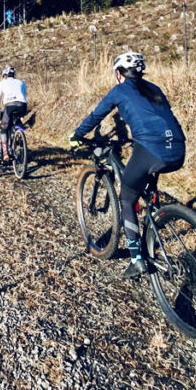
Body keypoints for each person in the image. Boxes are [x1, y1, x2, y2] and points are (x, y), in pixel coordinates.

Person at [69, 52, 186, 279]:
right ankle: (153, 215)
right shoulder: (154, 88)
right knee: (145, 178)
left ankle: (136, 260)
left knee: (126, 198)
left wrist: (77, 135)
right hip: (178, 148)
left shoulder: (119, 91)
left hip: (151, 149)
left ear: (119, 73)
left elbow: (96, 115)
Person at [0, 65, 27, 162]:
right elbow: (23, 95)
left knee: (4, 127)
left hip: (9, 106)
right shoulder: (21, 82)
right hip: (22, 105)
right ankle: (19, 133)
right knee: (17, 120)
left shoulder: (1, 84)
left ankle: (5, 152)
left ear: (5, 75)